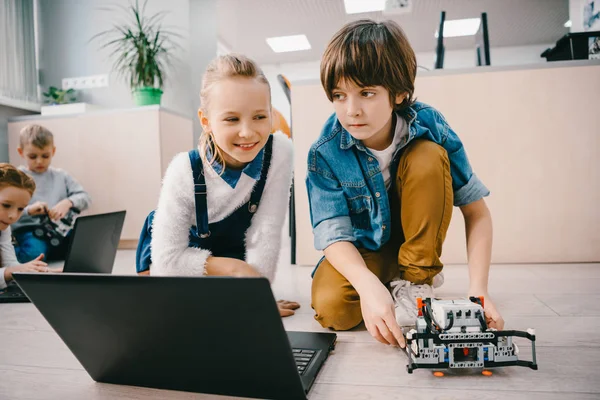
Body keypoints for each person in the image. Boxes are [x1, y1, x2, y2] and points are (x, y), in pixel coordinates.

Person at [306, 20, 503, 347]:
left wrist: (478, 291)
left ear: (398, 93)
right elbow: (332, 234)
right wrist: (368, 287)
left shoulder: (429, 123)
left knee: (426, 156)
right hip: (366, 246)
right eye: (339, 95)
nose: (351, 110)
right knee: (334, 310)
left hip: (416, 235)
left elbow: (477, 213)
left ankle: (415, 277)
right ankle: (390, 277)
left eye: (366, 93)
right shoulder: (325, 152)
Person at [138, 54, 299, 317]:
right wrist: (238, 270)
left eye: (259, 116)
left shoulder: (280, 152)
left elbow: (266, 233)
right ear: (206, 121)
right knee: (179, 313)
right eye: (231, 119)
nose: (248, 132)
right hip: (173, 254)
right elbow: (167, 262)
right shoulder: (184, 170)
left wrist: (258, 295)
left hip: (228, 249)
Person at [12, 124, 91, 262]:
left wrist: (68, 202)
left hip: (59, 229)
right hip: (30, 230)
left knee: (86, 247)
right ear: (21, 152)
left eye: (45, 156)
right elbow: (8, 211)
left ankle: (50, 252)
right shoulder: (16, 177)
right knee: (33, 253)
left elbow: (85, 198)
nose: (39, 161)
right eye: (32, 156)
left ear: (53, 151)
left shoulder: (61, 176)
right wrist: (29, 211)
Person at [0, 163, 49, 291]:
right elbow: (9, 271)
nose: (13, 216)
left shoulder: (4, 226)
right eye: (6, 205)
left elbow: (10, 264)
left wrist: (36, 270)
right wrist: (10, 271)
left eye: (20, 209)